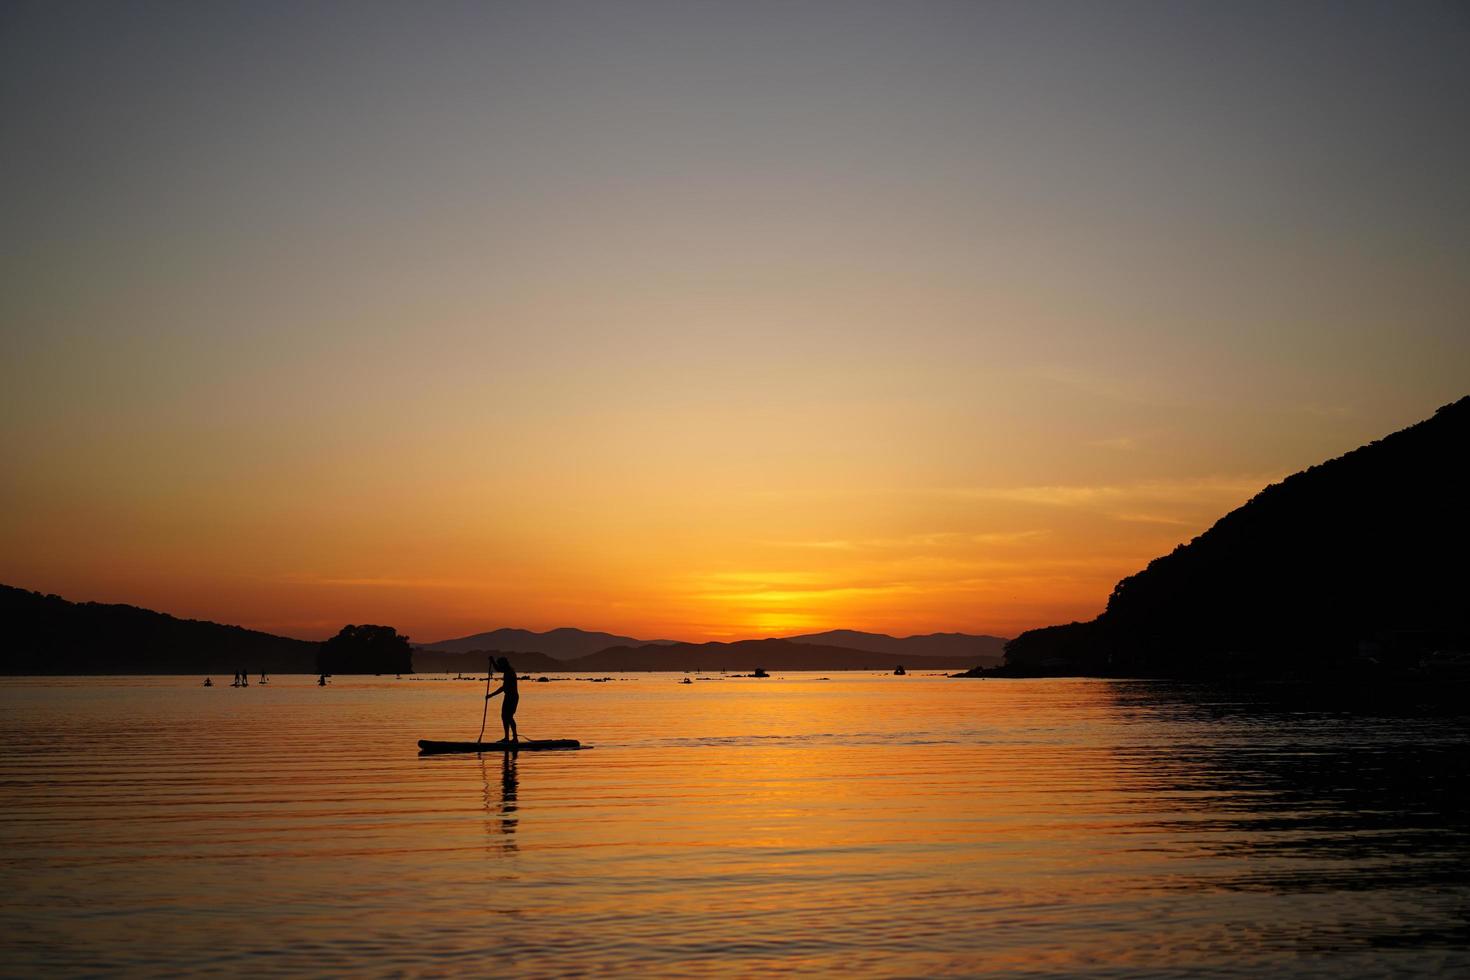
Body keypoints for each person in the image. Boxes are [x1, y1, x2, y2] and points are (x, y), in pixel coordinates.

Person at [485, 657, 519, 742]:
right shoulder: (506, 671)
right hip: (508, 696)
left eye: (500, 664)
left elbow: (503, 688)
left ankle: (515, 738)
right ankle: (507, 738)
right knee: (504, 716)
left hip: (512, 697)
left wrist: (491, 695)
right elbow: (498, 669)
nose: (500, 666)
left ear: (504, 664)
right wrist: (492, 662)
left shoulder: (510, 673)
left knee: (509, 717)